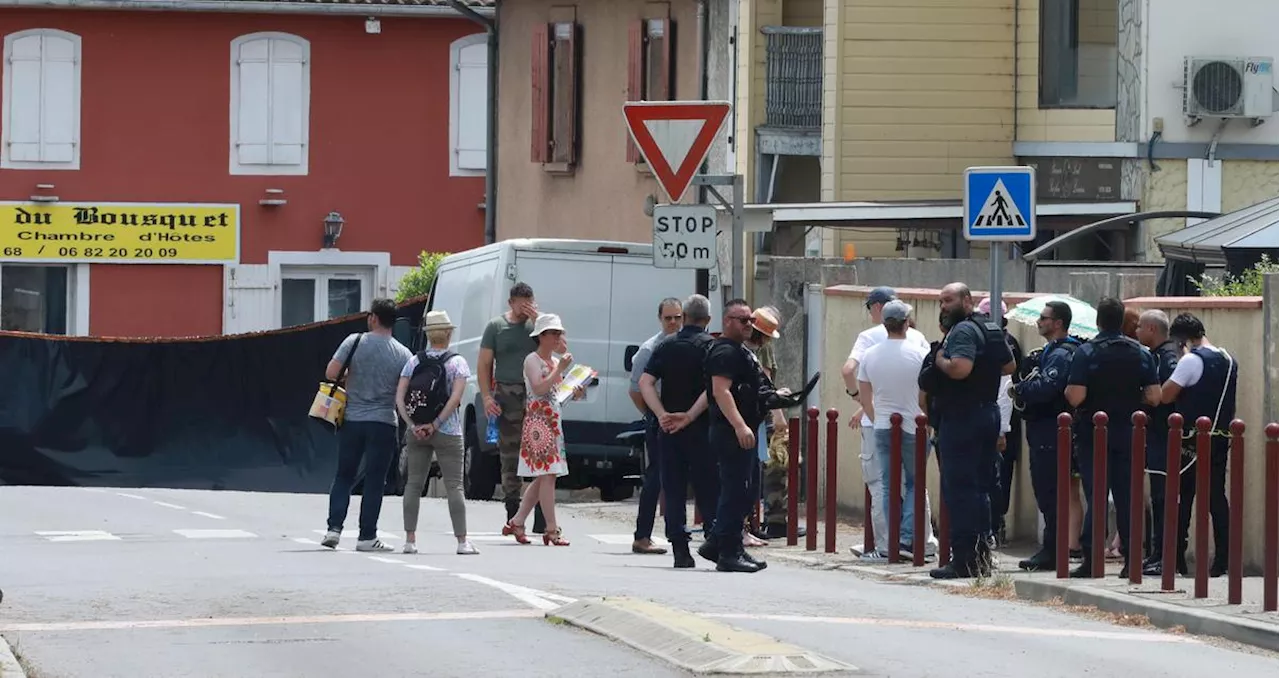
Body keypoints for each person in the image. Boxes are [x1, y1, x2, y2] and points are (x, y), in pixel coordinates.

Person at [1064, 297, 1160, 578]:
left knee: (1096, 495)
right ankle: (1132, 561)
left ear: (1098, 321)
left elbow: (1076, 395)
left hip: (1093, 434)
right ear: (1122, 322)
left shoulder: (1086, 352)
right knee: (1128, 497)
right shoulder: (1141, 352)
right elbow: (1154, 397)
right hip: (1129, 432)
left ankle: (1093, 561)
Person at [841, 286, 937, 561]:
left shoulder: (870, 354)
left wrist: (874, 416)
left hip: (882, 426)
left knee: (886, 484)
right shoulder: (920, 352)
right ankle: (908, 538)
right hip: (913, 426)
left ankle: (888, 542)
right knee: (914, 483)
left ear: (884, 321)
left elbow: (864, 394)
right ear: (907, 322)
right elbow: (925, 392)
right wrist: (925, 419)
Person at [928, 283, 1015, 579]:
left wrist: (939, 357)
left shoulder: (964, 331)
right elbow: (1009, 365)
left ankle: (965, 559)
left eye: (948, 300)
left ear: (967, 300)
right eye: (941, 301)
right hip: (985, 413)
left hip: (963, 417)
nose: (943, 305)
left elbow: (960, 368)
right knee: (980, 488)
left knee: (960, 489)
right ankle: (980, 556)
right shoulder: (990, 328)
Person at [321, 298, 414, 552]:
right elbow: (403, 390)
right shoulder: (403, 354)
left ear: (373, 317)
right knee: (375, 480)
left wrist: (353, 376)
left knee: (344, 475)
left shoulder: (354, 341)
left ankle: (334, 529)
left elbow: (331, 372)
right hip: (384, 422)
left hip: (353, 419)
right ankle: (367, 536)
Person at [640, 294, 719, 569]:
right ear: (707, 320)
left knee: (673, 489)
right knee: (707, 486)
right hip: (702, 430)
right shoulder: (712, 347)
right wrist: (690, 416)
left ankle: (680, 549)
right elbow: (713, 389)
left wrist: (662, 414)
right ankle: (713, 540)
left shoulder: (666, 346)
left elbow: (645, 382)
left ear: (683, 317)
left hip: (669, 430)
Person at [395, 310, 478, 556]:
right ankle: (462, 541)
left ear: (428, 335)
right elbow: (455, 398)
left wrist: (413, 424)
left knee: (413, 484)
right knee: (455, 486)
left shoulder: (414, 362)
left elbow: (400, 397)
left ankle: (410, 540)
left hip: (417, 430)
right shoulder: (457, 362)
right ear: (449, 333)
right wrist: (437, 423)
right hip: (448, 430)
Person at [1160, 312, 1237, 578]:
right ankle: (1223, 559)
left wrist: (1180, 359)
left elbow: (1165, 394)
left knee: (1183, 497)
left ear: (1181, 340)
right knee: (1216, 496)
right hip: (1219, 436)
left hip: (1190, 440)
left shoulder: (1191, 360)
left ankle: (1176, 558)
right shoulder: (1228, 359)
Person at [502, 313, 586, 546]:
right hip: (538, 422)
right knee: (547, 475)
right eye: (553, 333)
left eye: (559, 333)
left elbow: (556, 394)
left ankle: (518, 521)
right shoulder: (532, 359)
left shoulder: (553, 362)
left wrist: (575, 391)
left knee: (544, 476)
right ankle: (550, 529)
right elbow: (539, 388)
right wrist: (560, 369)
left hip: (551, 420)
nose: (558, 337)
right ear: (542, 336)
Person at [1012, 301, 1083, 571]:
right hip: (1045, 428)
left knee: (1050, 491)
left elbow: (1046, 388)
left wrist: (1022, 388)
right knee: (1048, 491)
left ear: (1058, 322)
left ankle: (1053, 550)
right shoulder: (1049, 352)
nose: (1039, 322)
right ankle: (1053, 548)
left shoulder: (1062, 354)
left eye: (1044, 318)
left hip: (1051, 429)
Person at [702, 299, 769, 573]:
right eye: (743, 320)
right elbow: (721, 391)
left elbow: (746, 389)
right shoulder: (724, 352)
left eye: (751, 320)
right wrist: (741, 426)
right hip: (731, 432)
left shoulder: (740, 351)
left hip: (743, 429)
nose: (749, 325)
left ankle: (717, 543)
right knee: (736, 492)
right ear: (727, 321)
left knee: (744, 491)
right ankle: (729, 552)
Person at [478, 283, 546, 533]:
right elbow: (484, 364)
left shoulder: (538, 325)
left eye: (529, 302)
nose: (524, 308)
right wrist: (487, 397)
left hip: (536, 394)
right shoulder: (496, 327)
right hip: (507, 394)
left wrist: (539, 322)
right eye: (520, 303)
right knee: (509, 455)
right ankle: (512, 512)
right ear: (511, 302)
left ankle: (541, 514)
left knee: (541, 455)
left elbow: (558, 347)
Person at [627, 297, 684, 556]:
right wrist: (653, 415)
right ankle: (642, 536)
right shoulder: (650, 349)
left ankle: (680, 533)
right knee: (656, 477)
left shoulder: (686, 344)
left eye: (677, 317)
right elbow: (636, 389)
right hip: (659, 420)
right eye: (668, 318)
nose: (673, 323)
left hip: (685, 420)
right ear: (660, 319)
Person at [1136, 309, 1183, 576]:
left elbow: (1165, 394)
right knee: (1157, 497)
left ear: (1152, 329)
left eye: (1140, 327)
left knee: (1163, 497)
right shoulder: (1157, 354)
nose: (1137, 331)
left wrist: (1143, 397)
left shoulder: (1167, 356)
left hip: (1164, 436)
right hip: (1157, 435)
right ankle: (1157, 553)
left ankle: (1166, 557)